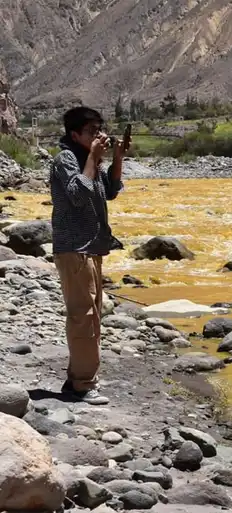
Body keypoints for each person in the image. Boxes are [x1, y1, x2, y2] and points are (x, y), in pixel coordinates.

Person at [49, 106, 130, 405]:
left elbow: (110, 191)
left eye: (100, 129)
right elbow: (77, 194)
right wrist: (94, 157)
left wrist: (117, 158)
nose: (99, 135)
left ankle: (77, 379)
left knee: (92, 316)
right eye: (92, 131)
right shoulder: (66, 159)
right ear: (75, 135)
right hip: (74, 247)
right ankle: (83, 385)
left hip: (92, 247)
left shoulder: (88, 159)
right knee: (83, 317)